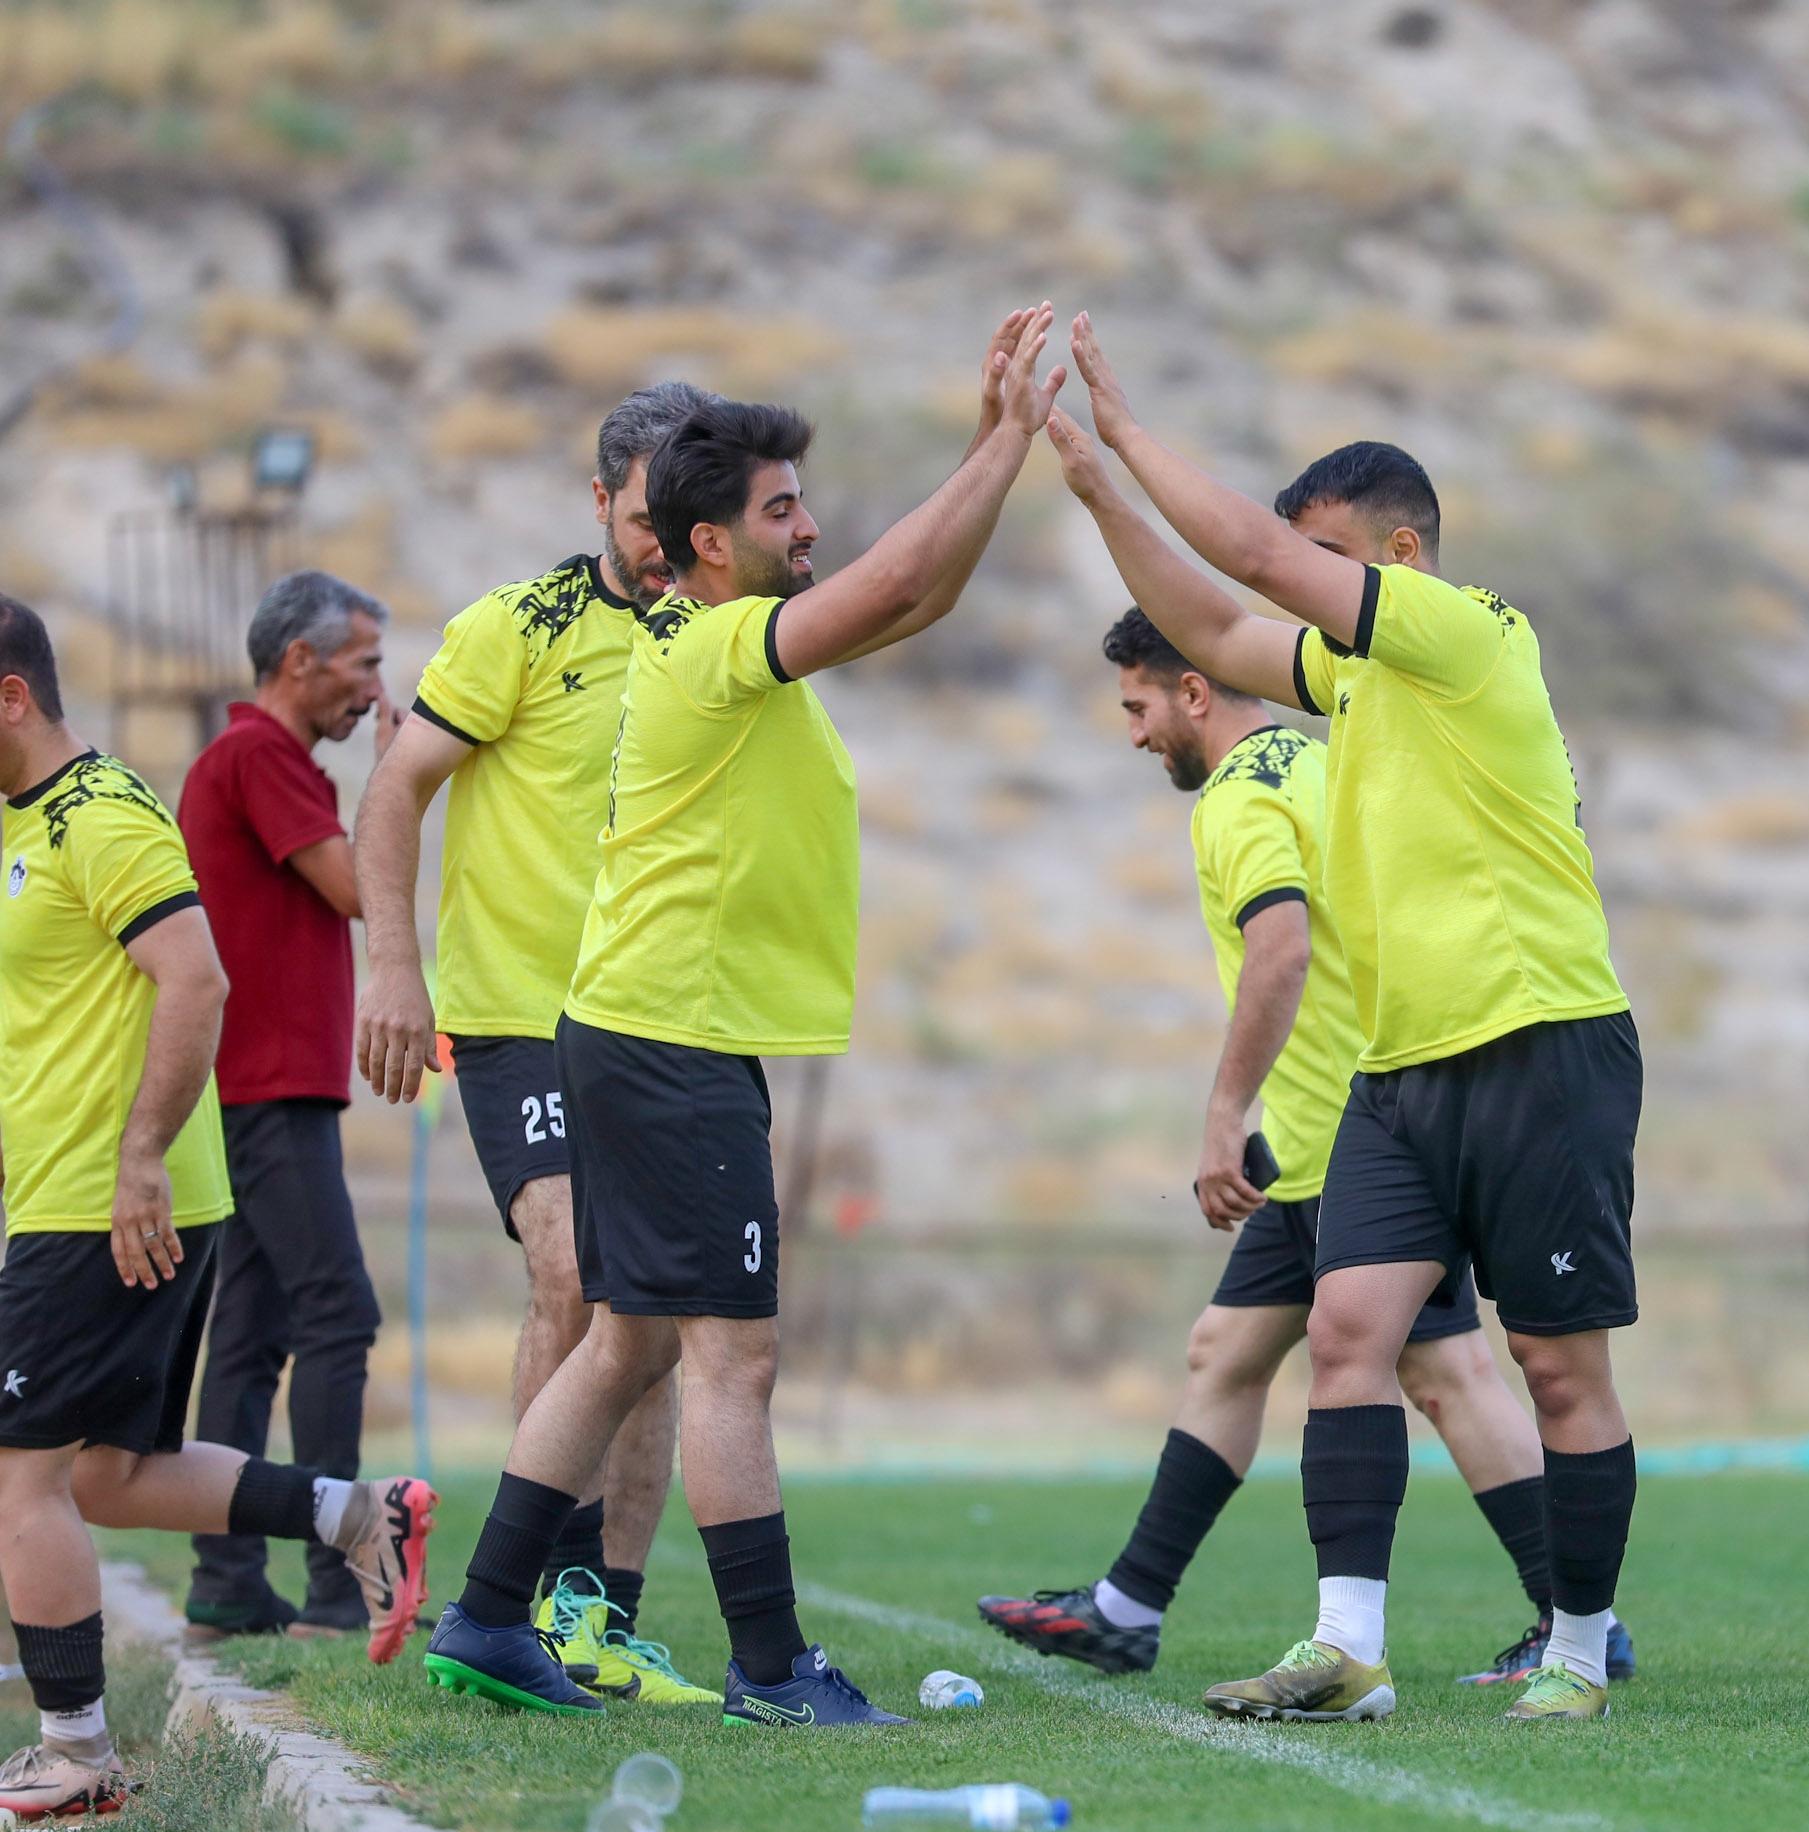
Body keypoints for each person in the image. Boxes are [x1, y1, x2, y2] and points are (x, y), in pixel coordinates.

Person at [419, 307, 1066, 1726]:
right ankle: (770, 1667)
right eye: (783, 510)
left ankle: (487, 1615)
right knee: (732, 1354)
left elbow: (914, 599)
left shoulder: (714, 637)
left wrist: (987, 445)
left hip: (652, 1033)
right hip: (673, 1042)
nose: (808, 525)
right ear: (710, 543)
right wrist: (1011, 441)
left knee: (629, 1342)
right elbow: (899, 578)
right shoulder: (715, 648)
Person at [1044, 312, 1640, 1724]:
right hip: (1402, 1069)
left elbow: (1255, 564)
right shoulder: (1359, 672)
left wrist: (1128, 430)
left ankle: (1576, 1650)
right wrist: (1093, 489)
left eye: (1334, 561)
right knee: (1347, 1333)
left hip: (1541, 1043)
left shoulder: (1473, 633)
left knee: (1557, 1372)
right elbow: (1211, 627)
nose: (1313, 591)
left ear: (1402, 557)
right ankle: (1347, 1649)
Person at [975, 610, 1636, 1690]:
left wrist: (1222, 1109)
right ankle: (1128, 1605)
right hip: (1322, 1127)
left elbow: (1280, 949)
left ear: (1196, 691)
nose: (1135, 733)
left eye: (1139, 706)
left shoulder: (1239, 796)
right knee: (1227, 1350)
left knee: (1446, 1369)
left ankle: (1572, 1621)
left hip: (1349, 1128)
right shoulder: (1326, 758)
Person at [0, 597, 432, 1821]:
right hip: (71, 1193)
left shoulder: (102, 810)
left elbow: (197, 978)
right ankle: (354, 1514)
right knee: (104, 1472)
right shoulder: (24, 823)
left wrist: (139, 1158)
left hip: (108, 1197)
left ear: (11, 697)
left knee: (18, 1477)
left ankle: (77, 1751)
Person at [354, 384, 717, 1705]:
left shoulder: (717, 633)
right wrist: (395, 965)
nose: (664, 541)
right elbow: (396, 789)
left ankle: (603, 1615)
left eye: (686, 516)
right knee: (570, 1271)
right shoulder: (518, 625)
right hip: (516, 1014)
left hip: (659, 1019)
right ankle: (529, 1599)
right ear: (601, 499)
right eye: (645, 515)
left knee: (654, 1312)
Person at [173, 570, 395, 1643]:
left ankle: (225, 1581)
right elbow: (358, 887)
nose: (376, 689)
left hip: (254, 1088)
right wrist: (399, 774)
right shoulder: (258, 754)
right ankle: (334, 1582)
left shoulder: (260, 759)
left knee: (252, 1335)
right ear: (297, 660)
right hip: (266, 1089)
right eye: (363, 664)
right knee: (337, 1313)